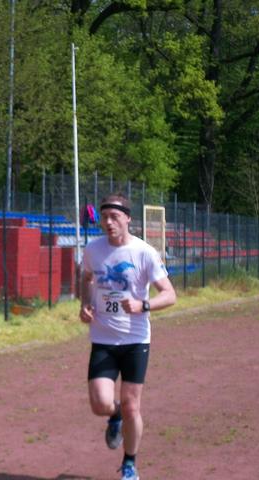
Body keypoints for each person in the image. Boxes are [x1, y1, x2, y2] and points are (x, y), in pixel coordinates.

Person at [79, 193, 176, 480]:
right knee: (99, 404)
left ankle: (130, 463)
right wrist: (85, 304)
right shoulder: (93, 249)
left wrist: (143, 305)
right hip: (103, 339)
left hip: (135, 341)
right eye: (104, 217)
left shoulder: (144, 252)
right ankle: (115, 414)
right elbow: (86, 278)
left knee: (133, 405)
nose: (108, 222)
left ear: (127, 219)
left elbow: (169, 295)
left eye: (114, 217)